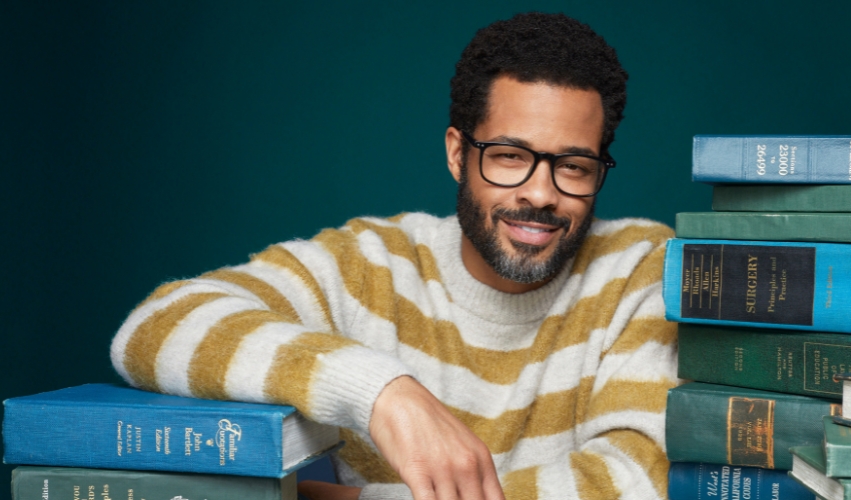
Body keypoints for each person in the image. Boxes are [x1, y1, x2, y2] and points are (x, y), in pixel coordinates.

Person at [110, 12, 677, 500]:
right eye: (509, 157)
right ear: (458, 154)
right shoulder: (371, 265)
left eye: (573, 166)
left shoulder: (644, 268)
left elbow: (635, 481)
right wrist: (381, 392)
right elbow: (153, 328)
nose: (540, 193)